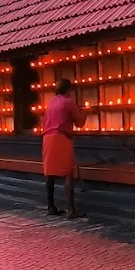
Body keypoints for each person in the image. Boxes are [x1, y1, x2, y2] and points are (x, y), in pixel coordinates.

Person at [40, 77, 88, 218]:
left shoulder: (50, 103)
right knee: (67, 172)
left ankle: (51, 206)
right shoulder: (68, 102)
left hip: (47, 139)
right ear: (68, 90)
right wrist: (86, 112)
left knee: (50, 173)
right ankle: (71, 210)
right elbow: (79, 123)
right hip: (61, 138)